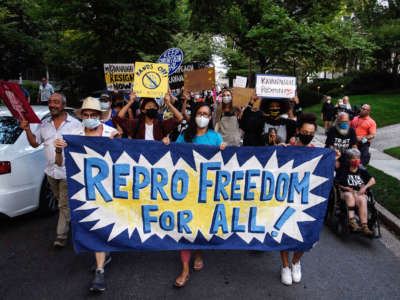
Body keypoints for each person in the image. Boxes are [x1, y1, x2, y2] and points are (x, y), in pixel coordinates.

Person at [53, 97, 119, 293]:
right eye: (87, 115)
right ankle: (102, 261)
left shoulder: (110, 133)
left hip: (108, 187)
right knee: (93, 224)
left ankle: (101, 266)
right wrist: (58, 150)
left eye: (94, 115)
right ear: (82, 116)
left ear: (100, 116)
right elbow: (59, 163)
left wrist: (117, 142)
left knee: (104, 222)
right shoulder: (73, 135)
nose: (90, 118)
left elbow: (124, 156)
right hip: (84, 189)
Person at [174, 102, 227, 287]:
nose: (203, 116)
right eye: (200, 113)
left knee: (201, 225)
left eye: (206, 114)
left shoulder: (215, 137)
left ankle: (199, 253)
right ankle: (185, 269)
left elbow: (224, 160)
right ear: (194, 115)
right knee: (186, 228)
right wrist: (165, 144)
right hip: (187, 189)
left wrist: (223, 149)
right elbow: (172, 155)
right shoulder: (184, 136)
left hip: (207, 190)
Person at [20, 93, 81, 247]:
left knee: (63, 204)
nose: (52, 105)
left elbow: (81, 148)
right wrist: (27, 129)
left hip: (68, 172)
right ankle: (75, 220)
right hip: (51, 173)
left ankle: (61, 237)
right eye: (51, 102)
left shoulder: (75, 124)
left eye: (56, 102)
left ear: (63, 105)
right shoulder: (44, 124)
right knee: (62, 201)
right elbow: (34, 143)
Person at [280, 112, 316, 286]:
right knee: (284, 231)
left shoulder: (317, 152)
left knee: (306, 233)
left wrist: (335, 159)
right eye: (305, 132)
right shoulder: (288, 147)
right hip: (287, 197)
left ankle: (296, 262)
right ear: (298, 131)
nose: (308, 136)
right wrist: (279, 150)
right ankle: (285, 265)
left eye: (311, 133)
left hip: (305, 199)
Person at [114, 91, 183, 141]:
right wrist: (130, 102)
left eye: (154, 107)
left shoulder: (161, 124)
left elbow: (179, 118)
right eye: (149, 106)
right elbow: (119, 118)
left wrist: (168, 103)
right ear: (143, 110)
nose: (152, 108)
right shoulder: (136, 123)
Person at [337, 148, 375, 236]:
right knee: (350, 196)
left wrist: (364, 188)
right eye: (354, 158)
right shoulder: (344, 170)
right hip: (345, 193)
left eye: (358, 158)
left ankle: (364, 226)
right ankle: (352, 221)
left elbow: (372, 180)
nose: (356, 160)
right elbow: (337, 183)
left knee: (362, 199)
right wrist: (346, 188)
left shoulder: (361, 170)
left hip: (358, 194)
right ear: (349, 159)